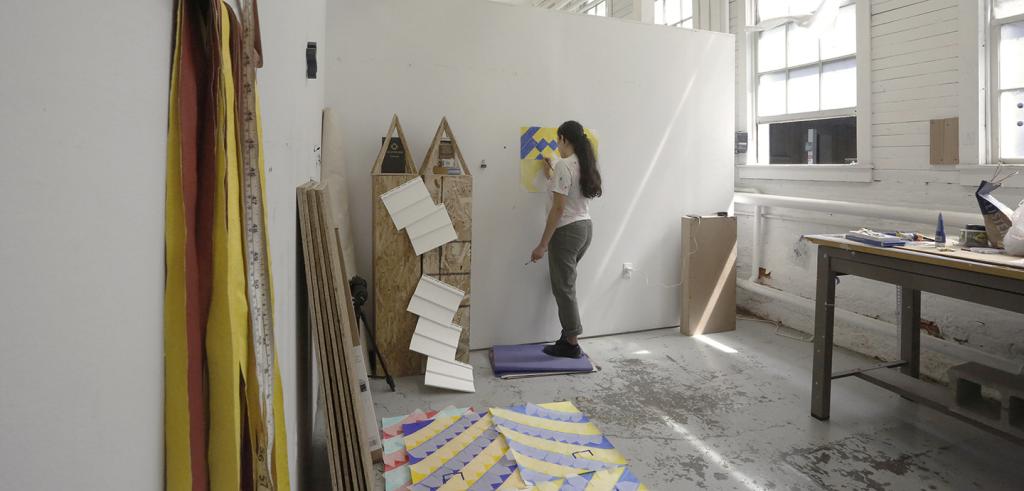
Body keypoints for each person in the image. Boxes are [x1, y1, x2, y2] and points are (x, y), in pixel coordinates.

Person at [529, 120, 602, 358]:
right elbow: (568, 193)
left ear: (563, 139)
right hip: (585, 228)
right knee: (565, 284)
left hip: (567, 231)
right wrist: (550, 172)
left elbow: (559, 209)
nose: (556, 145)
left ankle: (571, 343)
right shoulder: (585, 162)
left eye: (557, 140)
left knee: (564, 287)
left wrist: (542, 245)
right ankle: (567, 334)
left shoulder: (564, 165)